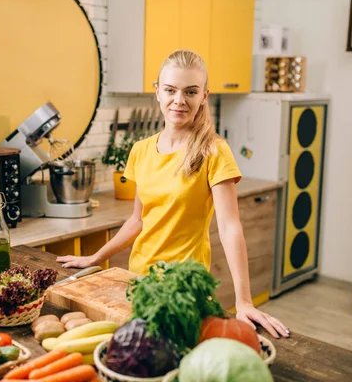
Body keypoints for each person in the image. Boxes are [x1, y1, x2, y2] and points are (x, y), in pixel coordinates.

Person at [57, 49, 289, 339]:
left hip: (185, 288)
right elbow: (137, 221)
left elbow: (230, 226)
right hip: (139, 281)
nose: (179, 101)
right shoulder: (141, 150)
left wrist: (243, 301)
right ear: (157, 92)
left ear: (204, 95)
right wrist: (95, 257)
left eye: (190, 92)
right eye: (170, 90)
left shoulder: (214, 151)